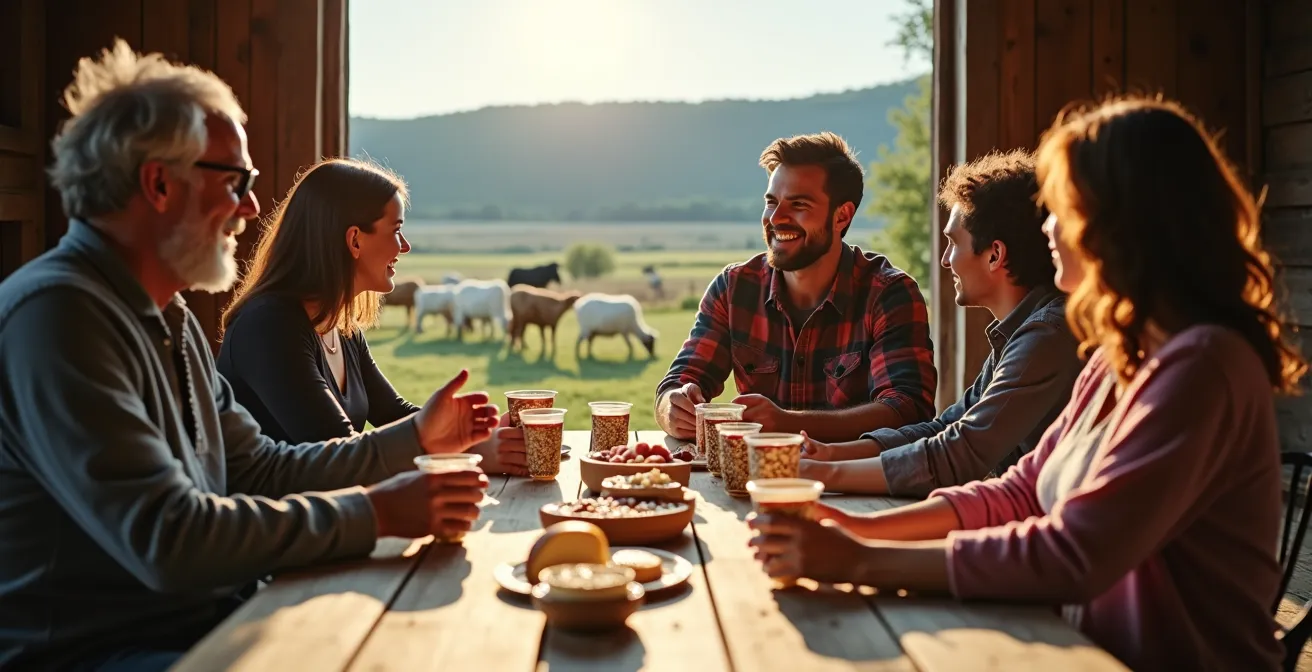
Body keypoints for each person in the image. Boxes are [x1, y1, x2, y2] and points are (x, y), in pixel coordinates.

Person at [748, 96, 1306, 671]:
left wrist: (859, 559)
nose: (1047, 228)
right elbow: (1020, 491)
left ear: (1119, 222)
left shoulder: (1202, 367)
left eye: (1061, 208)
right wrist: (853, 526)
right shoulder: (1117, 358)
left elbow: (1074, 554)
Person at [0, 41, 496, 669]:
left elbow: (259, 468)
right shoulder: (58, 317)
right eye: (236, 181)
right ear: (158, 183)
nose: (253, 208)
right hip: (109, 652)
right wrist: (375, 511)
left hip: (207, 620)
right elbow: (169, 539)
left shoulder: (166, 316)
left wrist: (415, 437)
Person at [798, 150, 1082, 496]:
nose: (947, 261)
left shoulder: (1046, 337)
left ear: (995, 255)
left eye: (953, 243)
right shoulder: (1018, 334)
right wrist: (829, 453)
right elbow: (945, 427)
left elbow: (959, 453)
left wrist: (820, 474)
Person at [217, 158, 527, 475]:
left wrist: (478, 437)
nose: (404, 247)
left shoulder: (342, 326)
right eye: (396, 230)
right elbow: (339, 452)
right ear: (355, 240)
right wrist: (468, 455)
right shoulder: (270, 327)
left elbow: (394, 414)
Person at [655, 132, 937, 442]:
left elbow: (908, 410)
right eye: (772, 203)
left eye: (798, 205)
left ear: (842, 216)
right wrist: (673, 409)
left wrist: (787, 424)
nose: (776, 218)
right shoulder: (733, 289)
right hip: (750, 483)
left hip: (856, 484)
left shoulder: (889, 294)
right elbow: (676, 384)